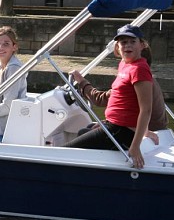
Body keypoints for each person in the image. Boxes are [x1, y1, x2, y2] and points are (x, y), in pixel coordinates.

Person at [65, 24, 159, 168]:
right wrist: (107, 122)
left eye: (132, 41)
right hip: (114, 126)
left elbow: (145, 109)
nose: (127, 45)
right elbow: (126, 103)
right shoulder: (125, 64)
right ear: (117, 47)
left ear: (142, 45)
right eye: (123, 42)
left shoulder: (139, 69)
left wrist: (135, 146)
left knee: (66, 151)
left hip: (122, 132)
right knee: (83, 131)